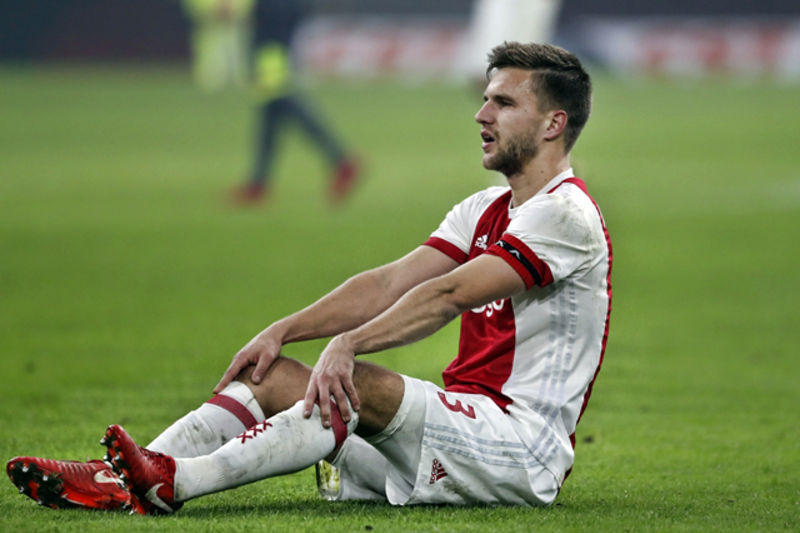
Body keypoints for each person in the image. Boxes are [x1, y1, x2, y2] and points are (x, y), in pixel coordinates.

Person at [7, 42, 612, 514]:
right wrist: (284, 330)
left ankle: (174, 482)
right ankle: (119, 478)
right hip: (459, 431)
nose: (481, 114)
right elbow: (389, 284)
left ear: (553, 124)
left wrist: (349, 345)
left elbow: (447, 294)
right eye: (485, 99)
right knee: (269, 375)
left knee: (355, 382)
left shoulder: (565, 215)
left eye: (503, 103)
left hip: (517, 449)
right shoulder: (485, 208)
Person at [233, 0, 359, 204]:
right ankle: (258, 183)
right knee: (271, 113)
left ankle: (341, 159)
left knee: (282, 103)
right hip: (275, 46)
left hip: (270, 50)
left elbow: (271, 15)